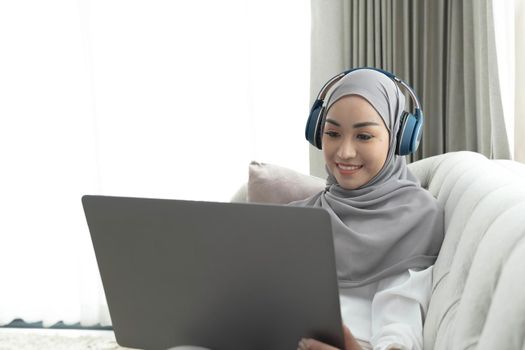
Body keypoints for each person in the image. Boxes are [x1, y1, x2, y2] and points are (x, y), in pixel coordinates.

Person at [291, 68, 445, 350]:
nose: (344, 152)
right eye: (332, 133)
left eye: (364, 136)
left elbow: (401, 326)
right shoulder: (297, 218)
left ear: (398, 139)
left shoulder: (417, 217)